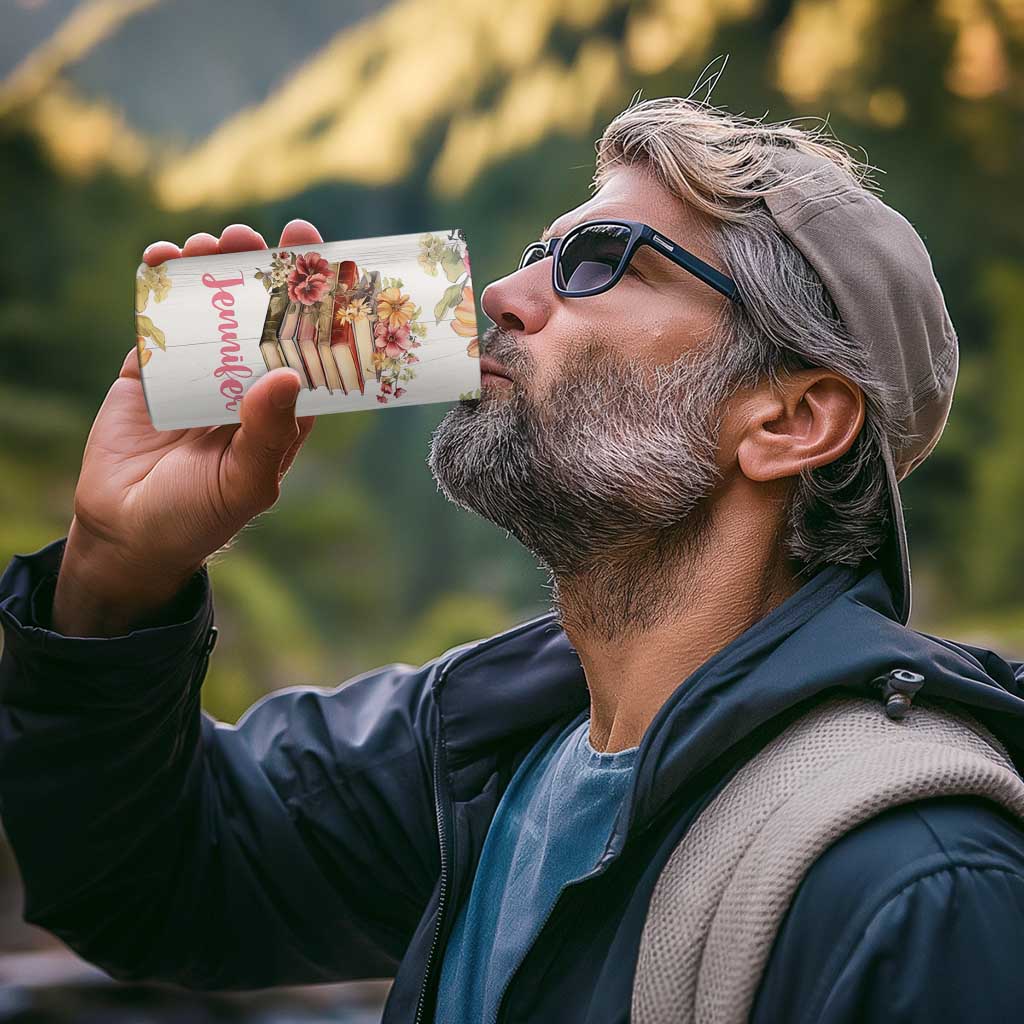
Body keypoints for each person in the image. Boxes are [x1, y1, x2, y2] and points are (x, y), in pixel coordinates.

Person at [2, 95, 1024, 1024]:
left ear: (790, 421)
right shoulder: (484, 746)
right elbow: (150, 879)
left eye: (601, 261)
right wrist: (116, 574)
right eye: (541, 252)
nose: (501, 291)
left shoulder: (918, 887)